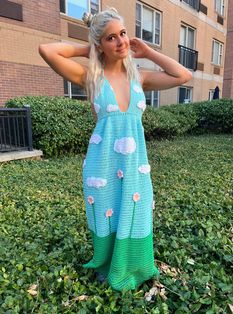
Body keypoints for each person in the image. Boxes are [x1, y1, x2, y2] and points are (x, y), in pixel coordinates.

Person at [39, 7, 192, 291]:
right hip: (102, 164)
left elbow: (182, 75)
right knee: (108, 213)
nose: (121, 41)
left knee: (137, 211)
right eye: (111, 38)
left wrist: (148, 52)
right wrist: (90, 49)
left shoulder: (140, 77)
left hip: (136, 164)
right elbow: (46, 49)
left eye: (122, 33)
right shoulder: (91, 77)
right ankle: (108, 265)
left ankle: (136, 265)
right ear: (101, 45)